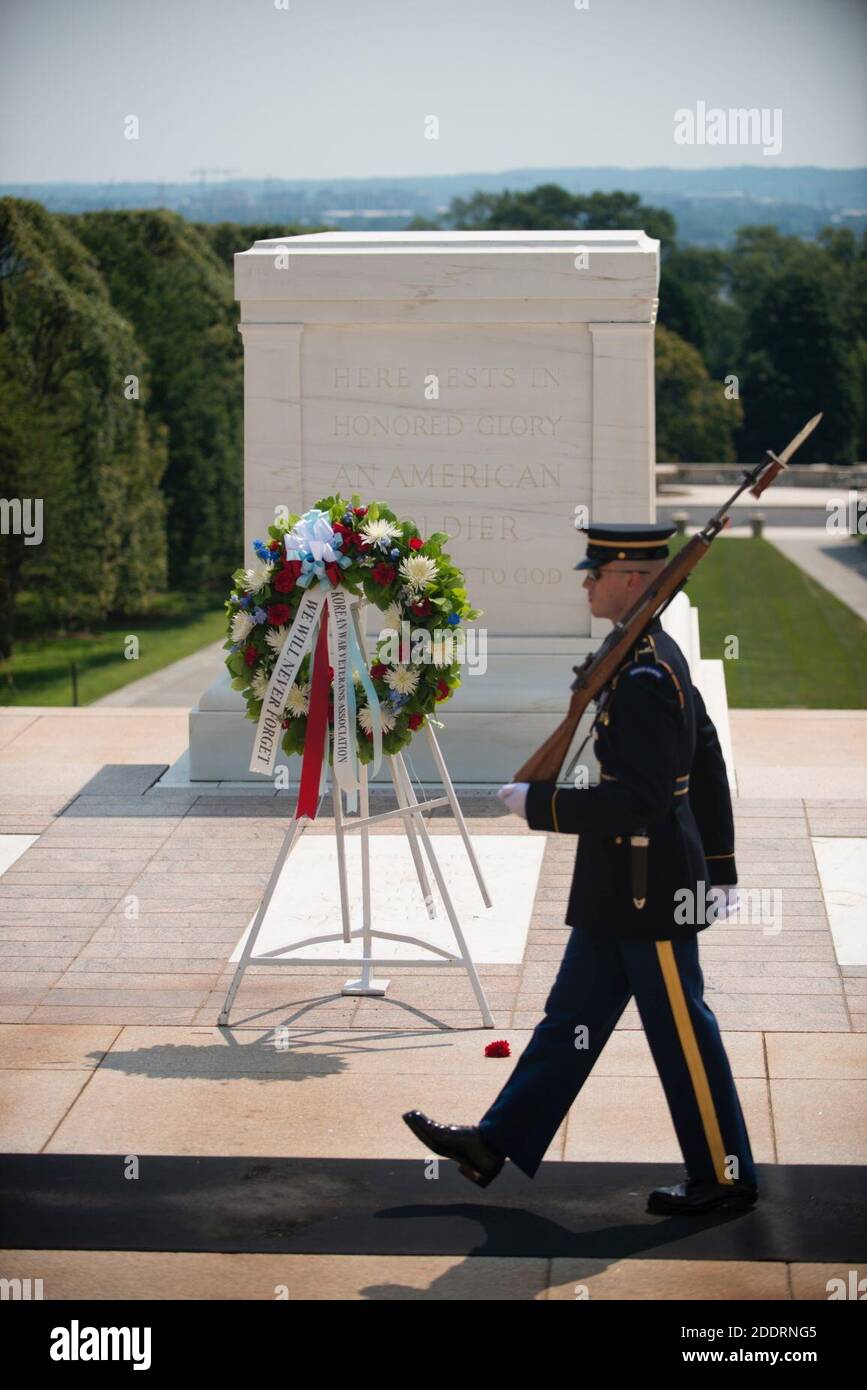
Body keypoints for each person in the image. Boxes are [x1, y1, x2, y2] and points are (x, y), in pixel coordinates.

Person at [403, 522, 758, 1215]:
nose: (586, 584)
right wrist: (719, 864)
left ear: (632, 579)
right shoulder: (642, 655)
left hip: (648, 887)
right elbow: (706, 754)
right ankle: (493, 1142)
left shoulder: (648, 671)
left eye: (595, 574)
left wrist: (543, 805)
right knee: (572, 1017)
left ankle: (723, 1175)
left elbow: (641, 800)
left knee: (681, 1031)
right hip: (619, 885)